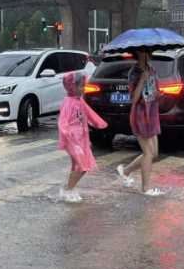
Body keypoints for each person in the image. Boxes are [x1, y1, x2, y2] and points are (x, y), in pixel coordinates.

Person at [116, 50, 164, 196]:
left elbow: (155, 91)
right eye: (143, 51)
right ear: (138, 53)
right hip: (141, 115)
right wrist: (142, 79)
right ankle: (146, 188)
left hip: (152, 114)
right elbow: (134, 99)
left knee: (154, 153)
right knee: (148, 153)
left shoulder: (152, 70)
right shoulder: (134, 72)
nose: (147, 54)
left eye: (148, 51)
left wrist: (158, 94)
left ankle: (125, 171)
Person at [57, 71, 107, 203]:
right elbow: (63, 122)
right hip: (72, 139)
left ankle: (69, 188)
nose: (83, 89)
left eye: (83, 86)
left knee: (82, 165)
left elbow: (89, 113)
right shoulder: (68, 103)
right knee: (81, 165)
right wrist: (67, 135)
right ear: (72, 87)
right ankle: (68, 190)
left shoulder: (79, 101)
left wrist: (99, 123)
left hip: (82, 138)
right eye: (81, 86)